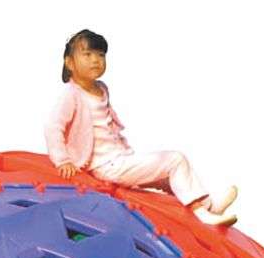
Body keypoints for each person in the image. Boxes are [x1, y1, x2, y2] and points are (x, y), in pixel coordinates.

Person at [45, 30, 238, 226]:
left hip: (120, 158)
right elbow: (53, 127)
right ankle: (202, 214)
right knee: (176, 160)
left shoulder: (101, 88)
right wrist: (63, 160)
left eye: (101, 55)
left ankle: (208, 205)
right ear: (69, 63)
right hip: (106, 166)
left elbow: (108, 127)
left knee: (170, 179)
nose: (95, 60)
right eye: (87, 54)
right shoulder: (71, 95)